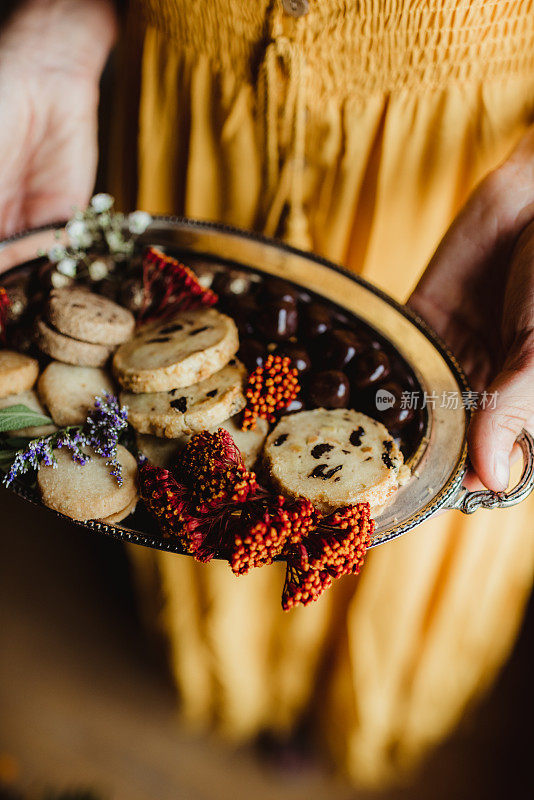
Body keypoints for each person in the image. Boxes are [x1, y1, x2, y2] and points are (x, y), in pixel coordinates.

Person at [1, 0, 533, 786]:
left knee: (432, 480)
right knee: (196, 494)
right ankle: (236, 688)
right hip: (193, 117)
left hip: (457, 164)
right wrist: (58, 21)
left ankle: (363, 714)